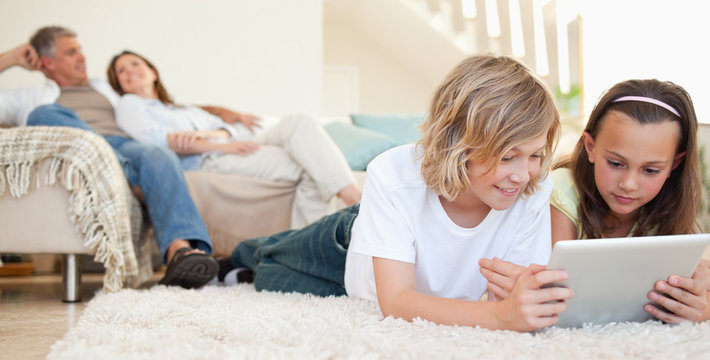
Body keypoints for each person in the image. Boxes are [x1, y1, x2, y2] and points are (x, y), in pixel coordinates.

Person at [219, 54, 574, 332]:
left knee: (267, 277)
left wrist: (517, 299)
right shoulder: (393, 174)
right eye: (508, 156)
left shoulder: (534, 186)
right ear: (458, 144)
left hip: (359, 287)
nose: (523, 173)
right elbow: (398, 300)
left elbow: (520, 292)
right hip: (346, 242)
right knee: (267, 252)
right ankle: (237, 255)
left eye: (535, 155)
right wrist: (497, 315)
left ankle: (245, 267)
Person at [0, 26, 218, 289]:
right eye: (72, 52)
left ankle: (179, 251)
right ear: (47, 62)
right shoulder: (30, 97)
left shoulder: (106, 88)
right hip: (85, 152)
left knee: (158, 154)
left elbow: (162, 104)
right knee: (43, 114)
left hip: (126, 147)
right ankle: (128, 174)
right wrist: (11, 58)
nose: (82, 57)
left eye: (80, 50)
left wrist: (224, 114)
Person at [480, 79, 710, 323]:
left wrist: (700, 307)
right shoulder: (562, 189)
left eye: (651, 170)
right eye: (615, 163)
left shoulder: (671, 203)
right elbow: (554, 287)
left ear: (674, 164)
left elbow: (699, 283)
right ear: (590, 146)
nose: (629, 184)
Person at [106, 50, 361, 229]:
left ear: (152, 72)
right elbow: (160, 142)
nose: (130, 72)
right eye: (121, 71)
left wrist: (212, 136)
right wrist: (221, 145)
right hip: (209, 158)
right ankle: (350, 207)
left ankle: (351, 196)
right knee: (306, 166)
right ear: (118, 84)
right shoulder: (130, 105)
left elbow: (223, 128)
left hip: (229, 144)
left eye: (135, 64)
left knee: (299, 122)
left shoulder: (182, 109)